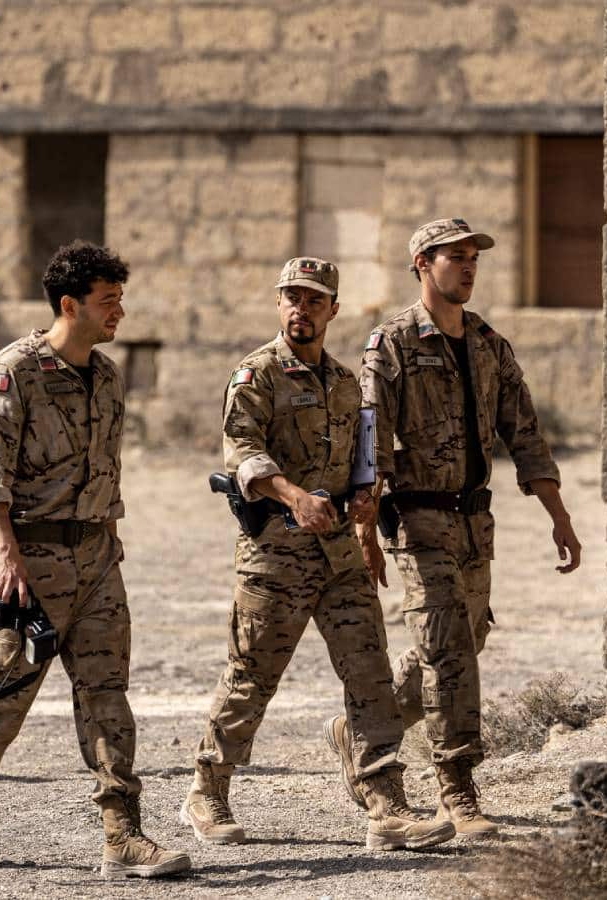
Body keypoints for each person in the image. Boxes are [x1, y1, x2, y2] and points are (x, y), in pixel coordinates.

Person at [0, 241, 191, 879]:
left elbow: (104, 469)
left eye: (120, 298)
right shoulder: (13, 372)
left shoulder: (107, 376)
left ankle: (123, 834)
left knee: (107, 698)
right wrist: (6, 556)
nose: (119, 311)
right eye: (108, 300)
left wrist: (108, 538)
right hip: (29, 565)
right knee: (1, 706)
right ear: (70, 305)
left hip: (96, 562)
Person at [182, 257, 455, 852]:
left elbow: (362, 457)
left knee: (370, 674)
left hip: (339, 554)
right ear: (279, 303)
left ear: (333, 309)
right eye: (292, 298)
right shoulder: (256, 374)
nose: (300, 309)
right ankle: (208, 789)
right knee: (253, 675)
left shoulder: (344, 381)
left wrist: (364, 499)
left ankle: (385, 803)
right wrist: (293, 495)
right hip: (276, 553)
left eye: (313, 300)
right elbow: (242, 451)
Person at [352, 218, 582, 840]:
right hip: (417, 516)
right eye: (455, 256)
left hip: (475, 521)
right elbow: (370, 439)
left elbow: (524, 434)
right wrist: (366, 530)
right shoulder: (392, 342)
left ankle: (364, 726)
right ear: (422, 265)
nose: (469, 266)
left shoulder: (487, 343)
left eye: (473, 256)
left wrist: (559, 516)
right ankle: (457, 789)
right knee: (448, 648)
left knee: (464, 637)